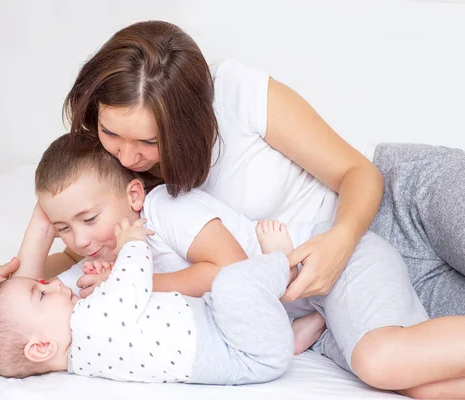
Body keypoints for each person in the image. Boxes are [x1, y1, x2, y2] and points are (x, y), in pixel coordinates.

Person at [0, 134, 465, 398]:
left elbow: (225, 270)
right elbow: (13, 314)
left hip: (328, 267)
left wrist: (134, 269)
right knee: (420, 385)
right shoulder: (91, 286)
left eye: (87, 218)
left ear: (132, 196)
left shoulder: (164, 209)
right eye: (63, 229)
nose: (80, 241)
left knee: (380, 361)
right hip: (302, 318)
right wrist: (43, 228)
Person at [56, 20, 465, 319]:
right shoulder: (116, 179)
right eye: (112, 133)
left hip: (401, 206)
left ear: (189, 121)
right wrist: (41, 229)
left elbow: (358, 173)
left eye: (150, 142)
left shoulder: (236, 92)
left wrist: (341, 240)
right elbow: (86, 257)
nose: (128, 157)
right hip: (364, 289)